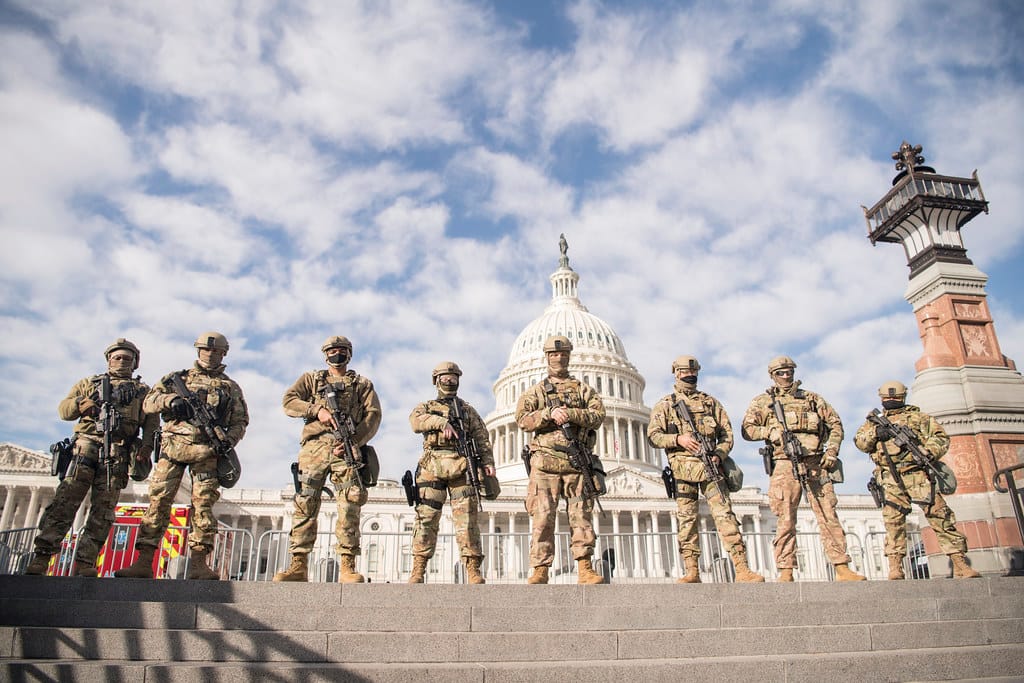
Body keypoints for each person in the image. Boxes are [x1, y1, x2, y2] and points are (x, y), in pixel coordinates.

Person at [115, 332, 248, 580]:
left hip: (207, 452)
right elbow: (149, 403)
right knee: (158, 502)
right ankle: (144, 560)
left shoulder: (230, 387)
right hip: (173, 448)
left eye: (216, 351)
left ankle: (199, 562)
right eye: (206, 350)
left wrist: (227, 442)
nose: (210, 355)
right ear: (198, 351)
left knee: (203, 508)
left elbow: (240, 421)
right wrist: (171, 401)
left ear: (223, 354)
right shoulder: (176, 379)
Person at [25, 339, 158, 577]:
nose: (121, 362)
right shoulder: (88, 384)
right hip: (85, 447)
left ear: (135, 363)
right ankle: (42, 557)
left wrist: (146, 448)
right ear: (108, 359)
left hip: (117, 452)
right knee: (65, 503)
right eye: (117, 357)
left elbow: (151, 425)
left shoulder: (143, 392)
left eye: (127, 359)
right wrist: (80, 404)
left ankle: (85, 562)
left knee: (103, 511)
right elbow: (64, 410)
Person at [741, 356, 865, 582]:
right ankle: (786, 569)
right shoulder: (762, 402)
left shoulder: (813, 399)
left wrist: (832, 451)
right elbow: (747, 429)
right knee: (785, 517)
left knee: (828, 514)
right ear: (773, 375)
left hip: (816, 462)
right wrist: (769, 432)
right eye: (780, 372)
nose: (786, 376)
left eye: (789, 371)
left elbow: (835, 424)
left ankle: (841, 566)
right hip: (785, 464)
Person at [273, 335, 381, 583]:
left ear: (349, 354)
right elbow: (289, 401)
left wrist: (355, 441)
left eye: (342, 350)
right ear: (325, 355)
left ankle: (347, 565)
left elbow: (373, 416)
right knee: (305, 503)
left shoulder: (362, 384)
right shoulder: (312, 380)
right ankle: (298, 565)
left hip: (346, 448)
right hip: (315, 448)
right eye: (332, 350)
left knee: (350, 504)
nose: (337, 354)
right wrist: (316, 410)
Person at [647, 356, 764, 583]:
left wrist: (719, 455)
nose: (688, 374)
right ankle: (692, 570)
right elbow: (653, 436)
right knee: (687, 521)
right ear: (676, 373)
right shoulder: (665, 405)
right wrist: (678, 439)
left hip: (711, 468)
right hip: (682, 471)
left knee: (725, 516)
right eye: (683, 371)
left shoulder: (711, 403)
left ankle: (741, 568)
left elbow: (727, 435)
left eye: (692, 371)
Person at [854, 381, 980, 579]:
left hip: (918, 473)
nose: (891, 401)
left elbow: (940, 438)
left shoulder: (920, 418)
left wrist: (928, 451)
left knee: (940, 516)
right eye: (887, 398)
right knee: (893, 522)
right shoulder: (873, 422)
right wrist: (876, 433)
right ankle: (895, 566)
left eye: (894, 398)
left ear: (903, 397)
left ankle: (959, 562)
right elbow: (860, 442)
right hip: (889, 477)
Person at [516, 335, 606, 585]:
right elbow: (522, 419)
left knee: (581, 518)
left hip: (577, 463)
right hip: (545, 463)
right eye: (553, 354)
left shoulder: (584, 390)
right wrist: (548, 413)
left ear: (568, 356)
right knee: (543, 517)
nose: (558, 358)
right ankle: (541, 567)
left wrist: (571, 413)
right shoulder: (536, 392)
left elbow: (598, 415)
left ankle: (585, 567)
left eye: (563, 353)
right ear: (547, 357)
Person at [407, 361, 496, 584]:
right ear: (436, 380)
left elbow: (482, 438)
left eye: (453, 377)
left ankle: (473, 569)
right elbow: (415, 422)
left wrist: (487, 462)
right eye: (445, 377)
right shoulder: (426, 407)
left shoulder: (467, 410)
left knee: (467, 522)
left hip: (461, 467)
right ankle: (418, 569)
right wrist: (441, 422)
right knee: (426, 520)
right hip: (432, 466)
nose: (449, 380)